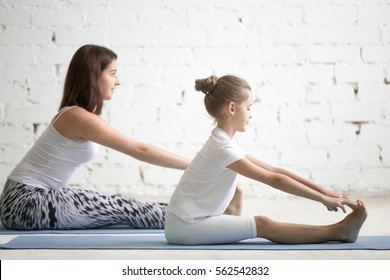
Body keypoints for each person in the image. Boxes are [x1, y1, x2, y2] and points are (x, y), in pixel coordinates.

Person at [0, 45, 241, 230]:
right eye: (113, 73)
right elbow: (140, 150)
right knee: (124, 208)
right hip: (25, 204)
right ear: (93, 76)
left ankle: (203, 217)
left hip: (26, 200)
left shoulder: (77, 114)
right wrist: (201, 165)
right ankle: (204, 221)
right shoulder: (78, 117)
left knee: (122, 204)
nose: (118, 81)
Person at [165, 74, 368, 245]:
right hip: (185, 225)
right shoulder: (222, 148)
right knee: (262, 224)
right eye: (249, 107)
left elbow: (275, 171)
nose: (251, 114)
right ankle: (340, 232)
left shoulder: (224, 141)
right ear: (232, 108)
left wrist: (326, 191)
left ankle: (339, 229)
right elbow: (274, 180)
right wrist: (323, 200)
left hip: (189, 220)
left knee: (245, 202)